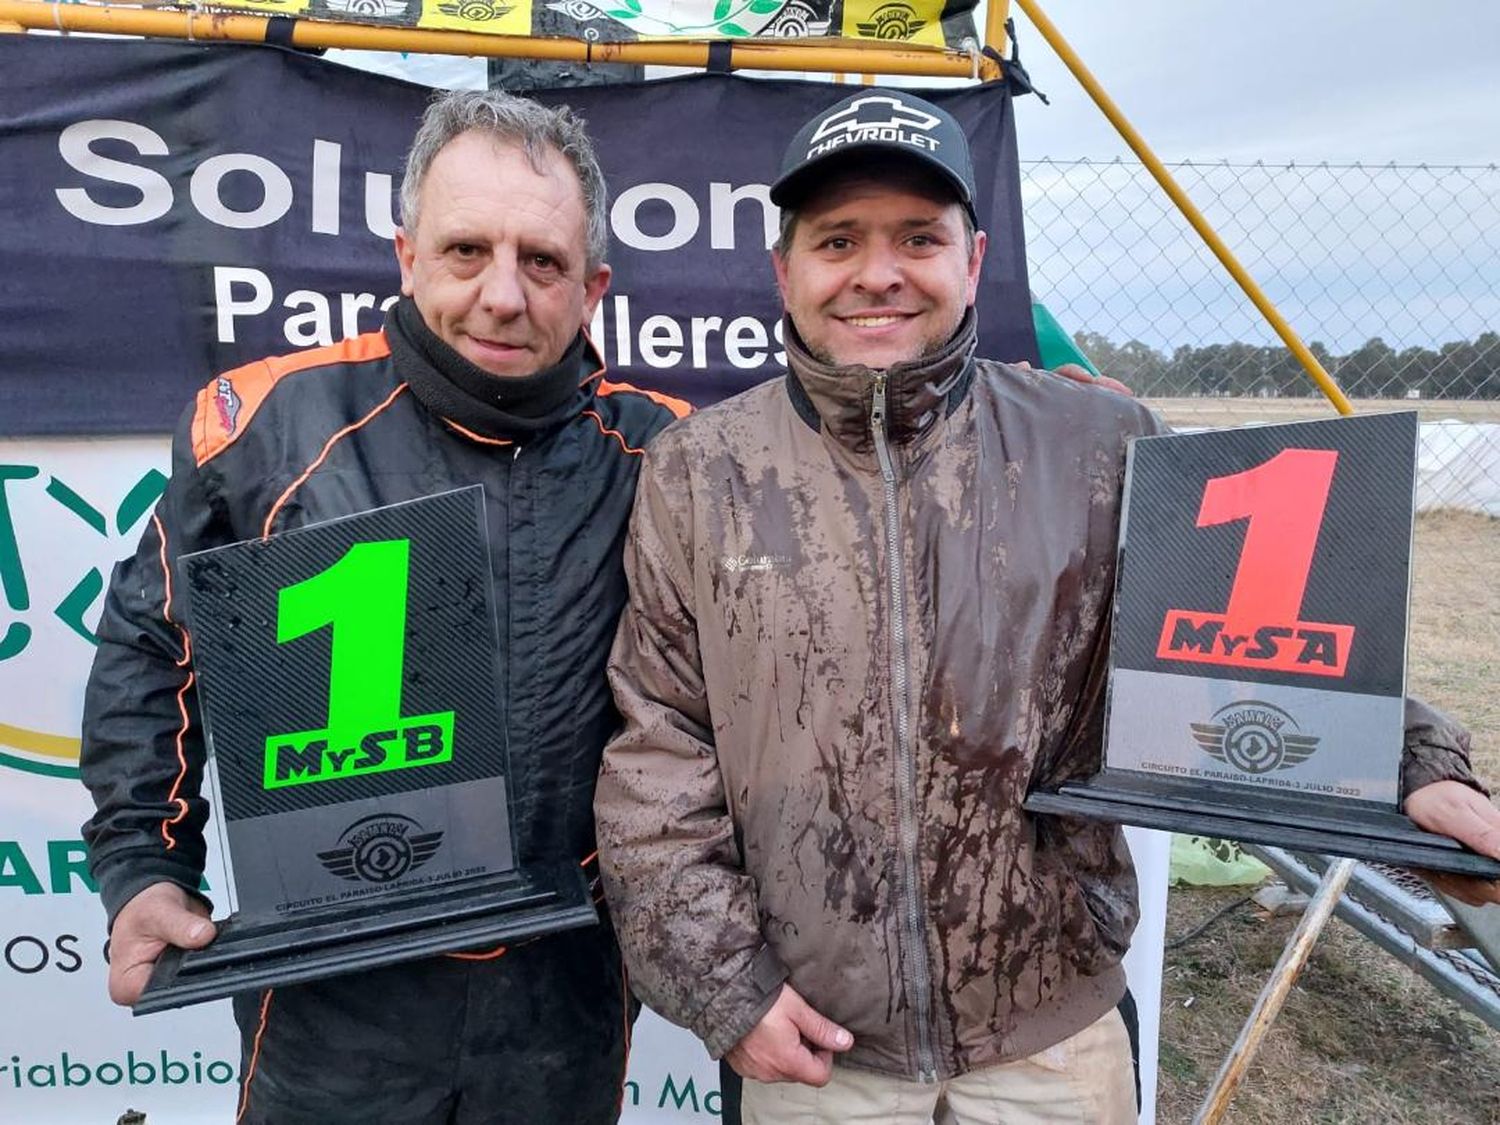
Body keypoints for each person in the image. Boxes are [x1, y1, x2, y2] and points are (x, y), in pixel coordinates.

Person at [592, 89, 1500, 1125]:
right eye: (838, 239)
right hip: (811, 1046)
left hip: (1052, 1039)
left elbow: (1252, 639)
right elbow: (657, 752)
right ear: (785, 271)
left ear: (973, 262)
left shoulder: (1099, 444)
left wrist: (1410, 765)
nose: (877, 272)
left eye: (917, 238)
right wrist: (725, 987)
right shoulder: (700, 473)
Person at [80, 89, 687, 1124]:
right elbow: (153, 645)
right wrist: (143, 866)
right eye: (465, 251)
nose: (503, 294)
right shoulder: (267, 424)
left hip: (565, 996)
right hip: (329, 996)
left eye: (541, 262)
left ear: (593, 287)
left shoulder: (671, 456)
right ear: (406, 255)